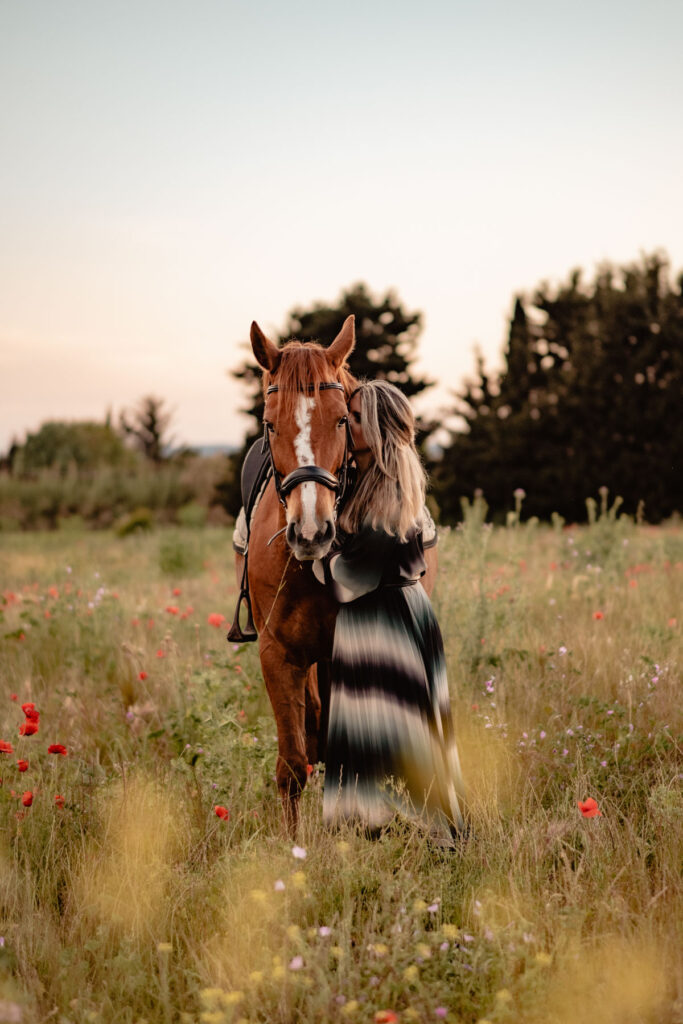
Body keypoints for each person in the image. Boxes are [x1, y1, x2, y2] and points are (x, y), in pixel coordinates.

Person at [313, 380, 466, 845]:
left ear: (375, 431)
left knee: (396, 728)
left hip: (388, 619)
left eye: (355, 419)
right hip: (382, 618)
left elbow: (348, 578)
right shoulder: (364, 481)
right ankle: (374, 830)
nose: (347, 424)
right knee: (376, 725)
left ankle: (416, 835)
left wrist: (314, 553)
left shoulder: (390, 494)